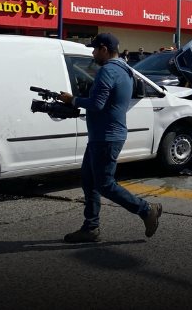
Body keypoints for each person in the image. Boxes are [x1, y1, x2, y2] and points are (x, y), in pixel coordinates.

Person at [58, 33, 162, 243]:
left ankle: (146, 209)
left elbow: (97, 104)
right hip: (103, 136)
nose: (93, 54)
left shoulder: (108, 71)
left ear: (104, 49)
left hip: (106, 137)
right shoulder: (125, 70)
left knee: (104, 184)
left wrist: (73, 100)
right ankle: (90, 227)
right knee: (89, 181)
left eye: (95, 49)